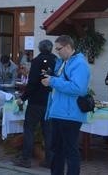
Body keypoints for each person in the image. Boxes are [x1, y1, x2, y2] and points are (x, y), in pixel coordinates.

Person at [41, 34, 90, 175]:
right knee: (57, 150)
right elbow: (61, 84)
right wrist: (51, 78)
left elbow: (78, 88)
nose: (57, 52)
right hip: (59, 112)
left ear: (68, 47)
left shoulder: (79, 64)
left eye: (59, 49)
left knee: (70, 151)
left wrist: (53, 81)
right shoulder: (64, 62)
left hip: (70, 114)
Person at [14, 39, 57, 169]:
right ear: (51, 48)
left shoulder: (37, 61)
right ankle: (50, 160)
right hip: (50, 101)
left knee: (29, 129)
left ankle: (25, 159)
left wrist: (23, 97)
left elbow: (32, 83)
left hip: (35, 101)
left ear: (39, 48)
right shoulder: (56, 60)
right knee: (48, 132)